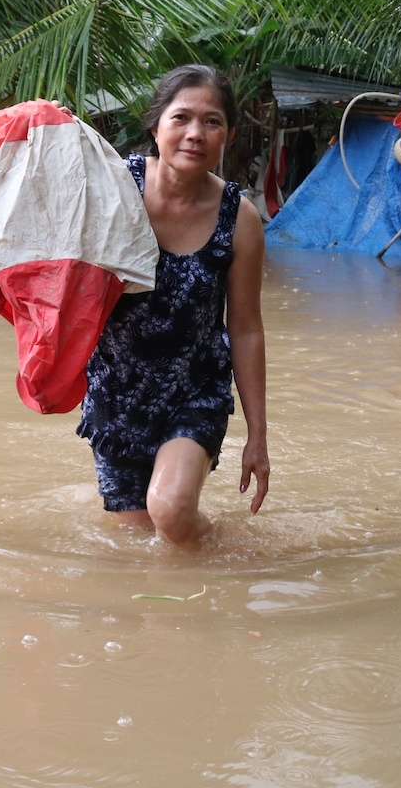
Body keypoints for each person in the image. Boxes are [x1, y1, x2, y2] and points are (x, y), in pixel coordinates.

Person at [76, 64, 270, 545]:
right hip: (115, 396)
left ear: (227, 135)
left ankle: (230, 553)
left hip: (194, 391)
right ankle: (198, 583)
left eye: (212, 122)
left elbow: (245, 329)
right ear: (156, 125)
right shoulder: (112, 190)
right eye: (181, 117)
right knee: (137, 542)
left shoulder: (239, 220)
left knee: (171, 510)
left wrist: (257, 436)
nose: (195, 133)